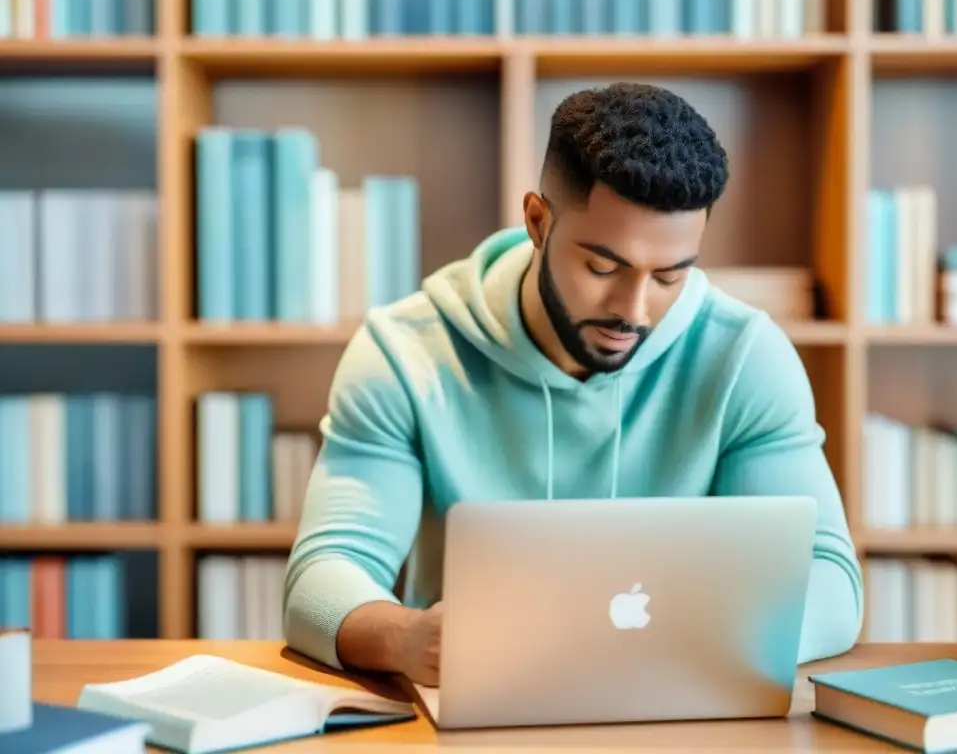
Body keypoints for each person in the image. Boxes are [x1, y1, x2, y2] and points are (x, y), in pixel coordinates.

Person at [282, 82, 863, 687]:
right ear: (537, 220)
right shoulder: (405, 354)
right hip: (472, 707)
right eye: (603, 266)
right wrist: (406, 640)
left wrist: (684, 648)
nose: (634, 310)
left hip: (679, 707)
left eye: (669, 276)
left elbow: (827, 578)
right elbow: (321, 579)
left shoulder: (744, 357)